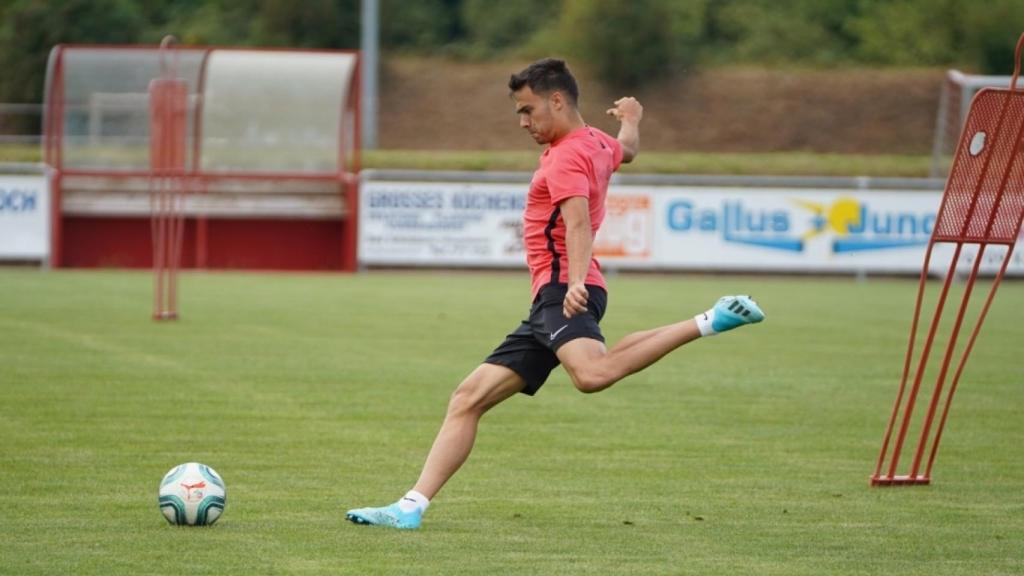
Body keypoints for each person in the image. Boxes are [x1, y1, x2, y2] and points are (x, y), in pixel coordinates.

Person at [346, 58, 764, 530]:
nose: (524, 122)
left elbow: (577, 221)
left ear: (557, 100)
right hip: (554, 296)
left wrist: (577, 282)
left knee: (591, 374)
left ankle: (709, 321)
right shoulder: (596, 143)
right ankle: (409, 509)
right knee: (468, 398)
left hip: (563, 288)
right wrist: (631, 118)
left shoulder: (566, 154)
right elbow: (627, 150)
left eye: (528, 110)